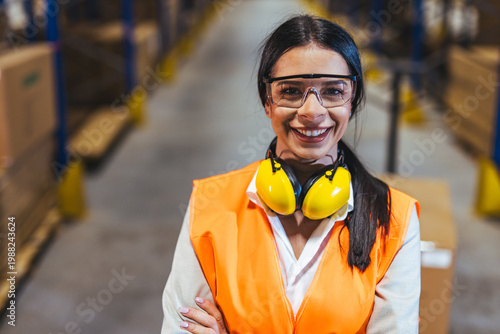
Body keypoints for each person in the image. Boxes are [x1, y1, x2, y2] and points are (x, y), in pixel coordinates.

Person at [161, 15, 420, 334]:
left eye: (334, 91)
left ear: (352, 100)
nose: (312, 111)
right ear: (267, 101)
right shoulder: (209, 205)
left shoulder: (395, 219)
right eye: (291, 91)